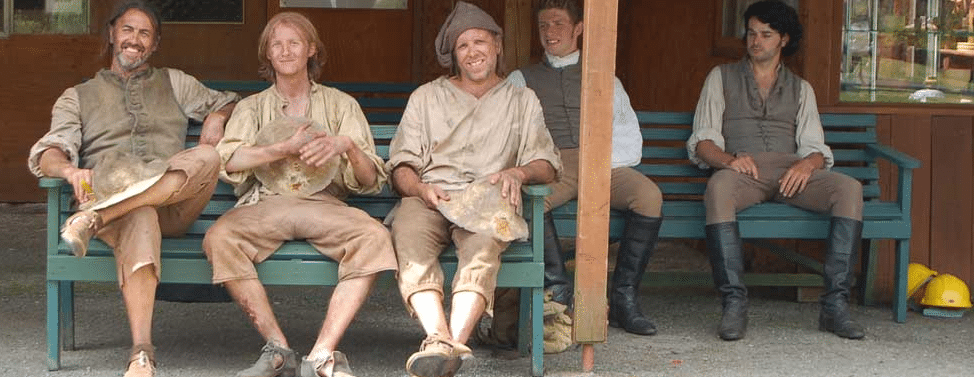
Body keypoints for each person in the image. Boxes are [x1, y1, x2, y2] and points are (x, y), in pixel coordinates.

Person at [26, 1, 238, 376]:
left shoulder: (175, 81)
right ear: (111, 34)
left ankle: (93, 219)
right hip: (119, 204)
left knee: (206, 158)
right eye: (128, 30)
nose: (134, 40)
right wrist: (69, 170)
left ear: (155, 44)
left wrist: (219, 116)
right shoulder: (78, 95)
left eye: (144, 34)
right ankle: (142, 352)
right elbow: (49, 152)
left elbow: (227, 101)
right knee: (140, 215)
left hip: (172, 205)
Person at [201, 12, 397, 377]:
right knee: (220, 237)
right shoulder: (251, 107)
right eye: (277, 44)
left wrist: (346, 146)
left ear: (311, 50)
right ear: (268, 56)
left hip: (324, 202)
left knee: (374, 237)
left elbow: (371, 177)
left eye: (294, 42)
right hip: (266, 203)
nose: (285, 50)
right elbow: (229, 159)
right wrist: (282, 149)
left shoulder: (341, 105)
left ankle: (322, 353)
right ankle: (278, 350)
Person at [385, 2, 562, 376]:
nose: (473, 52)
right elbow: (401, 165)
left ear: (497, 46)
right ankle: (440, 339)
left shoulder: (521, 99)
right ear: (453, 55)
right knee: (409, 238)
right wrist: (419, 188)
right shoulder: (426, 97)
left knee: (482, 248)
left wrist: (519, 172)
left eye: (480, 42)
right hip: (432, 196)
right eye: (463, 46)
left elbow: (546, 162)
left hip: (487, 199)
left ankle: (449, 344)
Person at [687, 0, 865, 341]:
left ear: (783, 39)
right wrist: (728, 160)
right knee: (718, 188)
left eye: (766, 34)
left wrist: (807, 163)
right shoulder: (720, 77)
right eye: (752, 33)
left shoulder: (802, 88)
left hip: (789, 174)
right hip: (743, 171)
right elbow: (703, 142)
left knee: (849, 189)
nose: (756, 41)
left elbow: (815, 147)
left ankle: (835, 306)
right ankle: (734, 304)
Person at [506, 0, 664, 337]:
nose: (550, 32)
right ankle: (558, 291)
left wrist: (598, 166)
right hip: (552, 164)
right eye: (544, 25)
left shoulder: (603, 75)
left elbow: (627, 134)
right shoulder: (521, 78)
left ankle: (624, 299)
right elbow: (511, 132)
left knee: (649, 197)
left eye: (559, 24)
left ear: (578, 28)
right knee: (531, 201)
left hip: (602, 162)